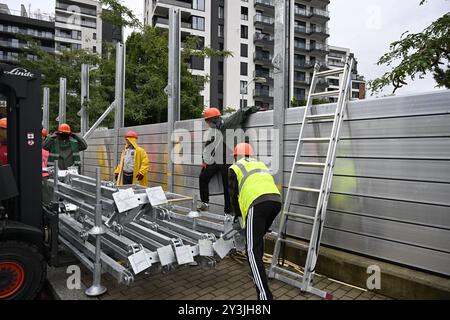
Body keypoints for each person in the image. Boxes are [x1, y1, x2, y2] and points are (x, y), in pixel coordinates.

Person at [228, 143, 281, 300]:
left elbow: (233, 196)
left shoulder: (235, 167)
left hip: (256, 204)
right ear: (250, 154)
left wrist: (237, 216)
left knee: (251, 249)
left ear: (237, 155)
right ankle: (255, 269)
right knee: (257, 242)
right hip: (275, 201)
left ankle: (264, 297)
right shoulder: (260, 164)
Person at [198, 106, 259, 213]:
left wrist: (256, 108)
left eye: (208, 122)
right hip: (216, 159)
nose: (208, 125)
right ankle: (205, 203)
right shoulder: (214, 130)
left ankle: (228, 211)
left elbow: (241, 111)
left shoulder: (229, 121)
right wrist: (204, 161)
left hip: (228, 159)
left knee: (228, 185)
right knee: (203, 177)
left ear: (213, 120)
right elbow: (208, 145)